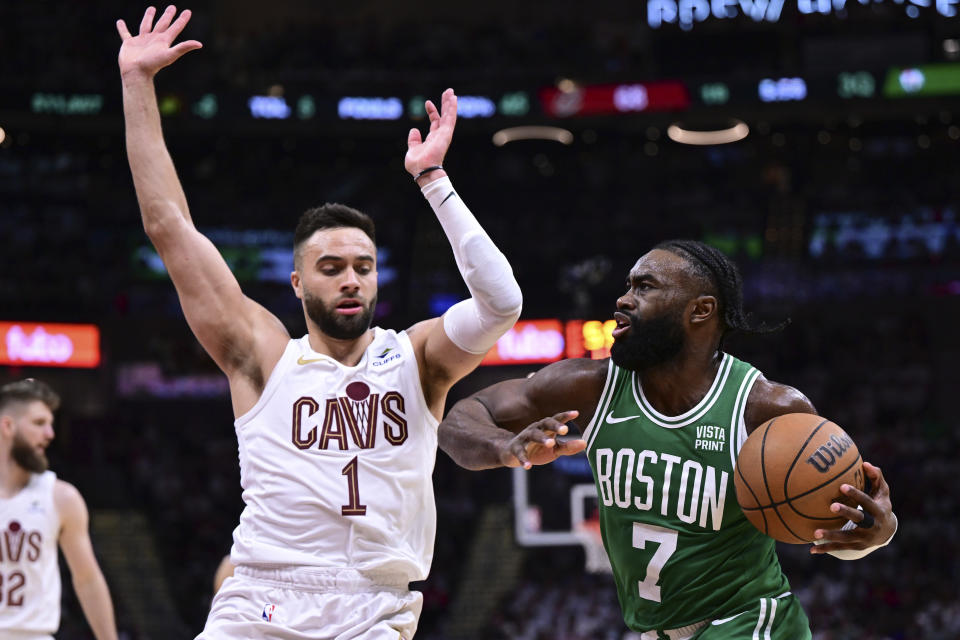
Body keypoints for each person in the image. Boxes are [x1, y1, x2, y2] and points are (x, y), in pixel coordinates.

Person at [116, 6, 522, 639]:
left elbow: (501, 304)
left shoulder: (418, 357)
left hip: (373, 606)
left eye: (363, 265)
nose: (351, 278)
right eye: (331, 267)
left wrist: (435, 181)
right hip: (260, 596)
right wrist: (136, 83)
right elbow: (169, 226)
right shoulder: (262, 354)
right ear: (299, 283)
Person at [439, 240, 898, 639]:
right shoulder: (591, 385)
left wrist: (879, 532)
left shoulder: (768, 408)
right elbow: (460, 419)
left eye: (645, 287)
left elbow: (845, 521)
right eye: (627, 285)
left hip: (751, 623)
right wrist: (505, 448)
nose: (622, 299)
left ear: (700, 309)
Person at [0, 378, 118, 640]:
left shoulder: (61, 497)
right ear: (7, 426)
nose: (50, 434)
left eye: (51, 424)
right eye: (39, 423)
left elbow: (87, 579)